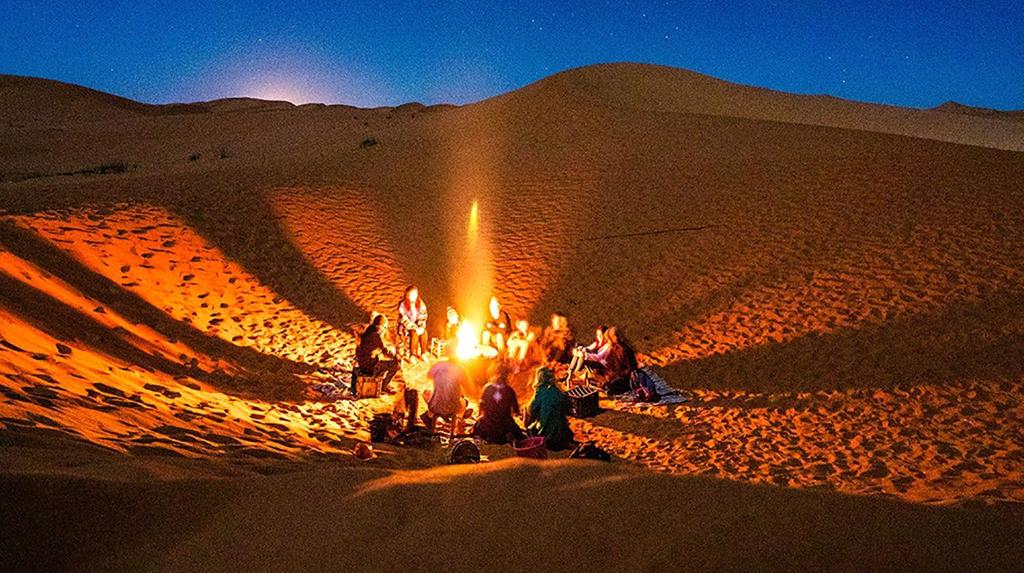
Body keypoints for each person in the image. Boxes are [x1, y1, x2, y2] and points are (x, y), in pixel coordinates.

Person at [472, 362, 526, 444]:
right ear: (508, 376)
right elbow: (516, 410)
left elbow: (481, 405)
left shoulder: (487, 388)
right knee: (518, 433)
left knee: (477, 426)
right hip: (504, 428)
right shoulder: (509, 390)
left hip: (488, 427)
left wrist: (481, 416)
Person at [421, 346, 470, 432]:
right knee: (464, 401)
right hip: (453, 407)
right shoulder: (461, 369)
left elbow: (428, 375)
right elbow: (470, 389)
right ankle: (458, 420)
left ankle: (430, 416)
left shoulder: (438, 365)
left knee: (426, 393)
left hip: (435, 406)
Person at [525, 367, 574, 451]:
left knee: (526, 408)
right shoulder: (559, 392)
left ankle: (528, 432)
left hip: (545, 436)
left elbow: (532, 411)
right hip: (562, 435)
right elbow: (568, 408)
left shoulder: (539, 393)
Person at [355, 313, 400, 393]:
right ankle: (384, 386)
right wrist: (396, 356)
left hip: (363, 363)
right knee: (396, 365)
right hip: (370, 366)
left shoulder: (368, 331)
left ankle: (382, 382)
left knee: (382, 362)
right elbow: (385, 351)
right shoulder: (376, 335)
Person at [600, 327, 639, 395]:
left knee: (611, 388)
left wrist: (617, 375)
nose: (616, 337)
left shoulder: (625, 349)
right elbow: (611, 363)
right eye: (614, 336)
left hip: (625, 378)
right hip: (616, 375)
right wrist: (609, 373)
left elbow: (630, 368)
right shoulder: (614, 348)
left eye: (617, 335)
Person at [398, 285, 428, 360]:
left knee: (424, 333)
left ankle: (423, 353)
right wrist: (414, 327)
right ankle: (412, 355)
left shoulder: (420, 303)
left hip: (417, 325)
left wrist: (421, 327)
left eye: (415, 294)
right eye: (412, 294)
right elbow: (403, 318)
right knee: (414, 333)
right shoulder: (402, 304)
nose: (413, 296)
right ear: (407, 295)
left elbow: (423, 315)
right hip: (406, 326)